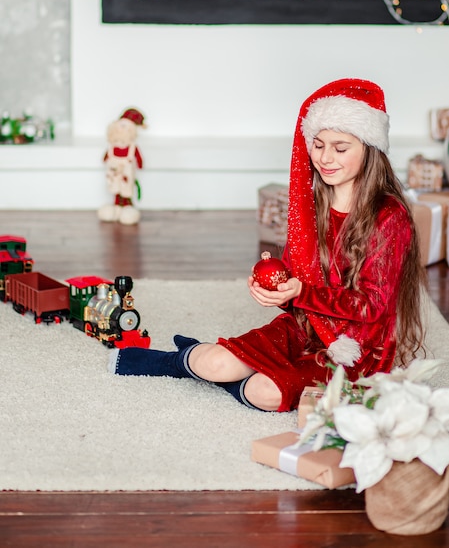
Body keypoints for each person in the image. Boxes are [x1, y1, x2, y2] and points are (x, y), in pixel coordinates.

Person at [108, 78, 426, 413]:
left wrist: (299, 292)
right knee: (216, 364)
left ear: (369, 148)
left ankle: (221, 369)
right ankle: (179, 361)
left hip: (357, 347)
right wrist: (277, 290)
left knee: (265, 393)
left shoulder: (389, 216)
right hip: (308, 326)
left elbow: (371, 306)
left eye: (341, 148)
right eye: (317, 145)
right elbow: (298, 279)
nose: (326, 158)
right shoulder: (313, 202)